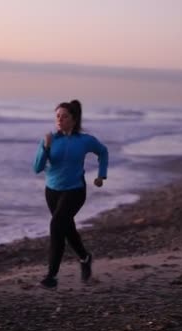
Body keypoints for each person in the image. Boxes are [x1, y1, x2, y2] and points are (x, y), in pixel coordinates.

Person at [33, 99, 108, 288]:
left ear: (73, 119)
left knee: (57, 225)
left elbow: (103, 152)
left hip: (75, 190)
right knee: (66, 228)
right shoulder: (49, 140)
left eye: (64, 116)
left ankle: (52, 276)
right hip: (52, 191)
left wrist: (101, 175)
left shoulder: (84, 140)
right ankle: (85, 257)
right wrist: (45, 147)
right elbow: (37, 168)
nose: (59, 119)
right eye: (57, 116)